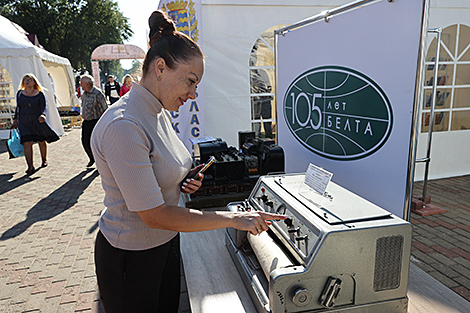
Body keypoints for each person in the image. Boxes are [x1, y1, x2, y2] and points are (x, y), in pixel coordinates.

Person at [91, 10, 286, 313]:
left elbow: (160, 167)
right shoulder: (124, 125)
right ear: (160, 68)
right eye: (190, 82)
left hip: (165, 245)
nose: (193, 94)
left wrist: (184, 177)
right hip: (131, 258)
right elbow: (154, 215)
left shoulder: (157, 110)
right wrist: (233, 219)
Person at [11, 73, 59, 175]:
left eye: (29, 80)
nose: (27, 81)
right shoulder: (20, 93)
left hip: (37, 120)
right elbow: (18, 108)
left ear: (34, 82)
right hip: (24, 121)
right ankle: (30, 167)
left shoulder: (40, 94)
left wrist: (43, 115)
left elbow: (44, 107)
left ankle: (44, 160)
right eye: (25, 80)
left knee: (41, 141)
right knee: (27, 142)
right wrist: (15, 120)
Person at [79, 74, 107, 167]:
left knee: (96, 144)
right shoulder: (84, 94)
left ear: (87, 84)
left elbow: (105, 109)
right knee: (85, 141)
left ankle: (101, 161)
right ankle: (92, 158)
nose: (80, 85)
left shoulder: (97, 93)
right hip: (86, 122)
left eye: (82, 83)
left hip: (96, 122)